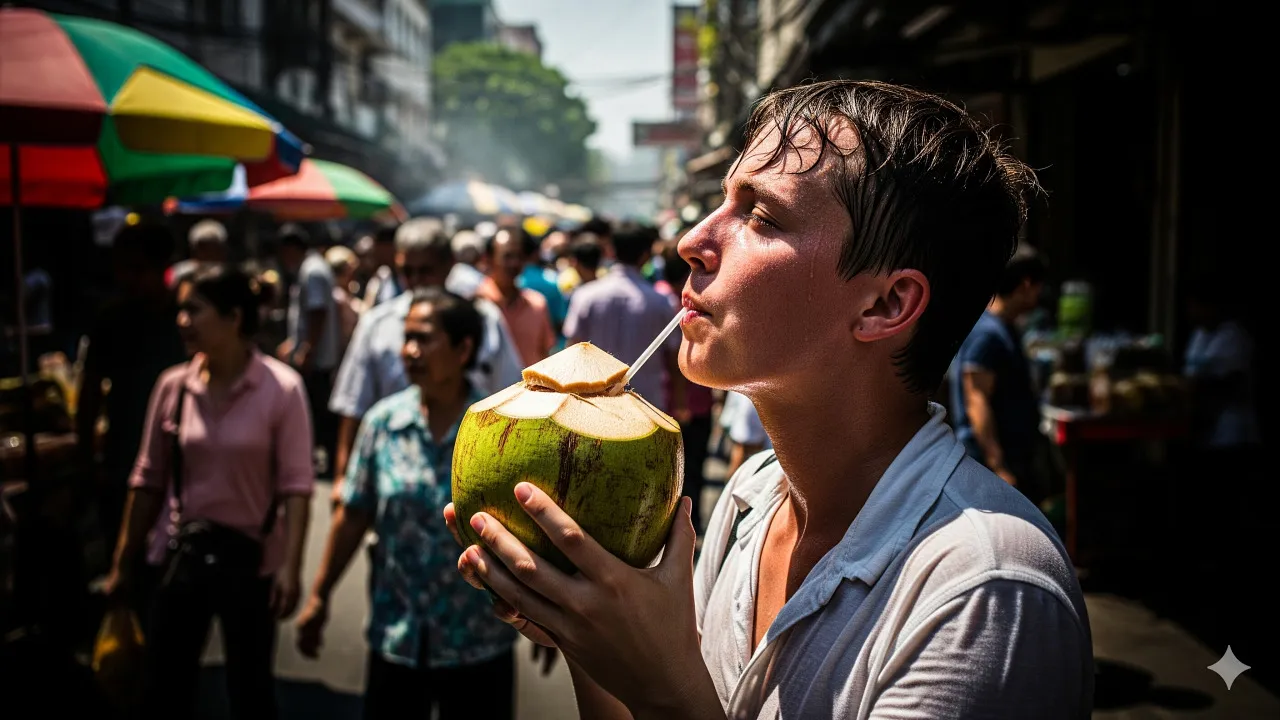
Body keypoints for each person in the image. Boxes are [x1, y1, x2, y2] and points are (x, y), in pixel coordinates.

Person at [446, 80, 1093, 719]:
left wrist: (665, 691)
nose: (691, 241)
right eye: (722, 202)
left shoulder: (988, 588)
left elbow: (670, 702)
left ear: (885, 304)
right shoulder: (748, 498)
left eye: (760, 216)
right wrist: (595, 637)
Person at [297, 289, 547, 720]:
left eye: (424, 338)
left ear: (464, 348)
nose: (409, 351)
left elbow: (531, 531)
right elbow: (354, 514)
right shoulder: (383, 423)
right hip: (397, 637)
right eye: (406, 337)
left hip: (477, 642)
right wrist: (319, 596)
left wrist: (550, 620)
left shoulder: (499, 432)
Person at [103, 265, 314, 720]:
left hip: (252, 564)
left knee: (250, 690)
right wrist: (123, 563)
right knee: (165, 688)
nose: (182, 321)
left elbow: (297, 485)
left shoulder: (282, 388)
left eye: (193, 309)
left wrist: (291, 569)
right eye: (180, 310)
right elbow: (147, 479)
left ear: (234, 316)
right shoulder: (172, 387)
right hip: (179, 559)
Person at [329, 219, 524, 498]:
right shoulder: (376, 324)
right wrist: (341, 478)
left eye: (425, 271)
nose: (415, 281)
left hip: (471, 479)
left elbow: (510, 396)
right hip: (394, 485)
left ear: (448, 267)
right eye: (406, 272)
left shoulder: (483, 319)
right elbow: (353, 405)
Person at [78, 223, 188, 590]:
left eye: (137, 269)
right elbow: (90, 389)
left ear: (162, 268)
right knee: (126, 558)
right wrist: (85, 453)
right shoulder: (110, 319)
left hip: (181, 458)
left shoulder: (185, 320)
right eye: (122, 269)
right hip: (124, 455)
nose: (127, 278)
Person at [949, 245, 1047, 501]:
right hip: (988, 466)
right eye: (1039, 286)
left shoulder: (1003, 328)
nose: (1040, 294)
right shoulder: (988, 335)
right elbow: (976, 399)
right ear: (1026, 284)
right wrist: (998, 466)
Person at [562, 222, 679, 411]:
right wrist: (681, 403)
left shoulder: (585, 296)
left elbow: (571, 350)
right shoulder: (661, 301)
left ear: (610, 251)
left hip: (593, 403)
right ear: (645, 256)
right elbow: (674, 359)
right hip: (646, 405)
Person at [276, 223, 341, 474]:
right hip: (316, 354)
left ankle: (322, 460)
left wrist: (306, 349)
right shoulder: (313, 267)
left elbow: (317, 312)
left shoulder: (312, 270)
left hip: (317, 358)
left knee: (317, 411)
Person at [476, 225, 556, 366]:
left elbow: (545, 355)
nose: (514, 263)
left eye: (519, 256)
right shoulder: (476, 305)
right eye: (507, 256)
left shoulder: (537, 304)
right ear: (488, 259)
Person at [169, 219, 229, 289]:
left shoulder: (229, 274)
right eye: (204, 247)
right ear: (194, 249)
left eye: (214, 247)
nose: (210, 252)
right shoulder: (180, 273)